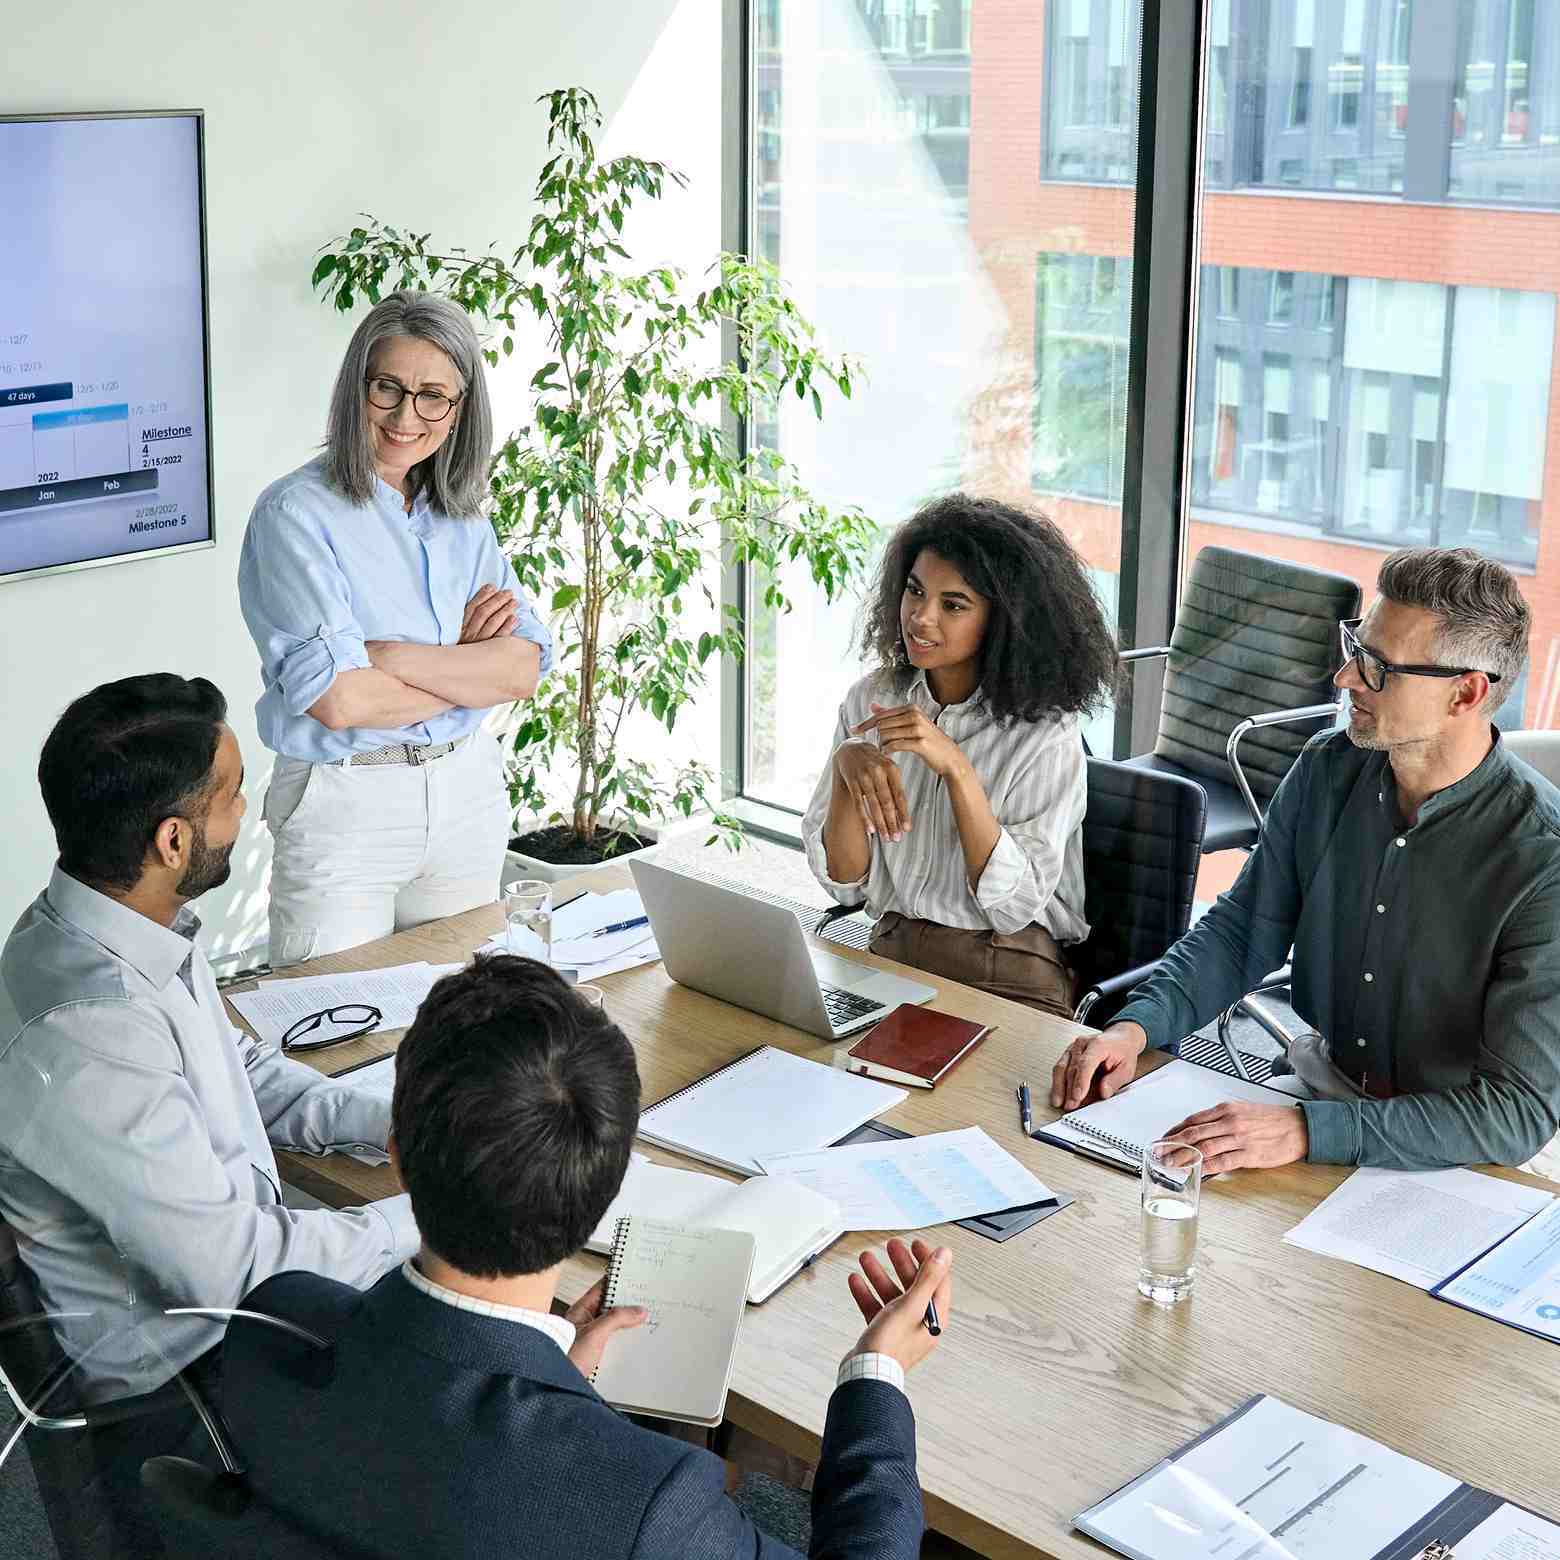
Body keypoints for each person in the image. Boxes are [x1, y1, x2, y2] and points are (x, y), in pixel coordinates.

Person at [223, 955, 946, 1560]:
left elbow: (429, 1465)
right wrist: (876, 1376)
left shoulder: (271, 1328)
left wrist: (554, 1376)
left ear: (398, 1160)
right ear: (602, 1197)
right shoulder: (645, 1502)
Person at [0, 674, 418, 1555]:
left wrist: (394, 1123)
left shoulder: (111, 927)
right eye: (232, 795)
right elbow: (236, 1274)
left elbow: (243, 1069)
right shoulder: (86, 1032)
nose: (250, 815)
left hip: (224, 1317)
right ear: (173, 838)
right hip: (187, 1396)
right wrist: (429, 1215)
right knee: (485, 1404)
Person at [1052, 546, 1560, 1174]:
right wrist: (1135, 1028)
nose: (1345, 680)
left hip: (1457, 1150)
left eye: (1378, 668)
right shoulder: (1327, 766)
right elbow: (1242, 932)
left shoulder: (1544, 860)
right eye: (1355, 650)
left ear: (1466, 694)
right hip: (1319, 1091)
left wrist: (1304, 1131)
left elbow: (1515, 1112)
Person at [239, 289, 553, 964]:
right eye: (389, 388)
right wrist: (468, 668)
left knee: (467, 1034)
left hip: (465, 794)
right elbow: (340, 699)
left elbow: (523, 669)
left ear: (459, 409)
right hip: (346, 802)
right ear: (357, 387)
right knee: (333, 1036)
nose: (408, 415)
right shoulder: (295, 515)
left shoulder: (464, 516)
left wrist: (391, 657)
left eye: (433, 395)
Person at [801, 494, 1117, 1017]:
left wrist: (956, 768)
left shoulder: (1046, 735)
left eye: (953, 604)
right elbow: (846, 883)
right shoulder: (869, 700)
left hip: (1006, 974)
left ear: (1004, 620)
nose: (921, 618)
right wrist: (845, 771)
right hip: (893, 955)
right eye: (915, 591)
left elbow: (1014, 909)